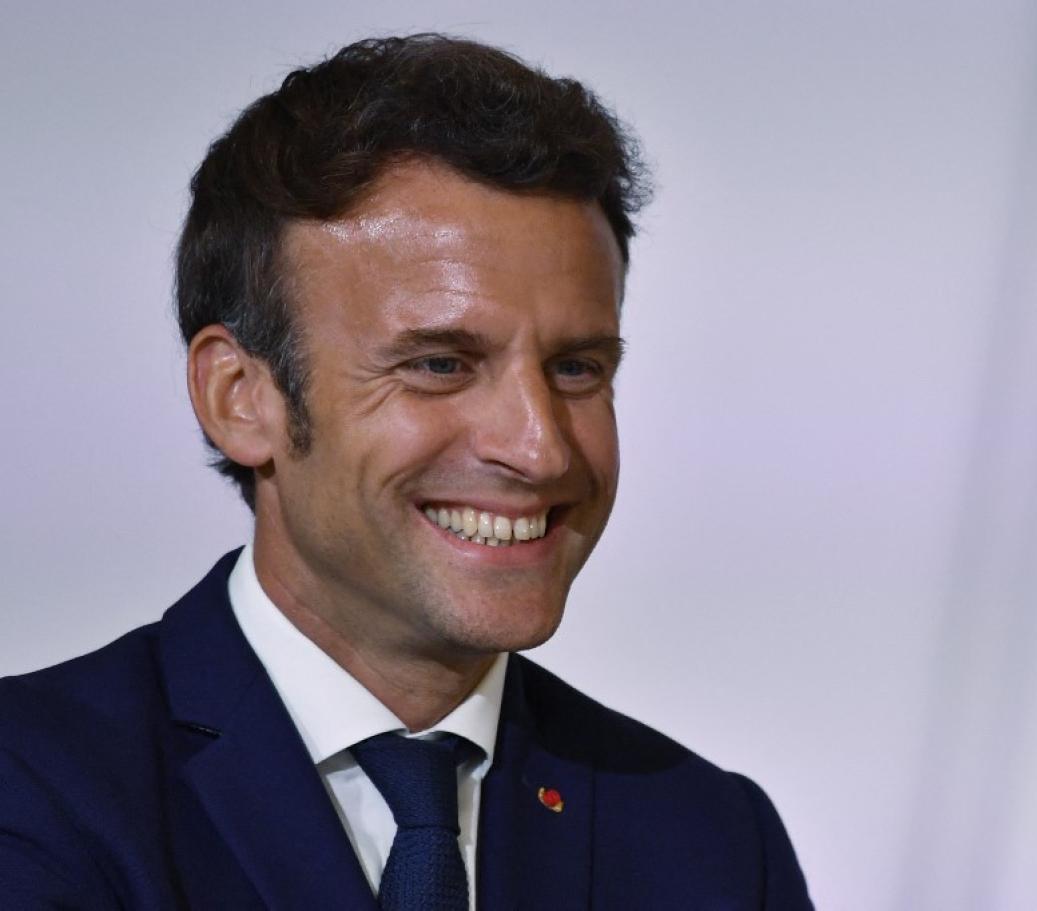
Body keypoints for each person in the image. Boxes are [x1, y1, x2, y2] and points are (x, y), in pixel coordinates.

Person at [0, 34, 812, 909]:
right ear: (241, 398)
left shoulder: (713, 844)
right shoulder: (31, 792)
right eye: (440, 364)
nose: (540, 448)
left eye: (577, 367)